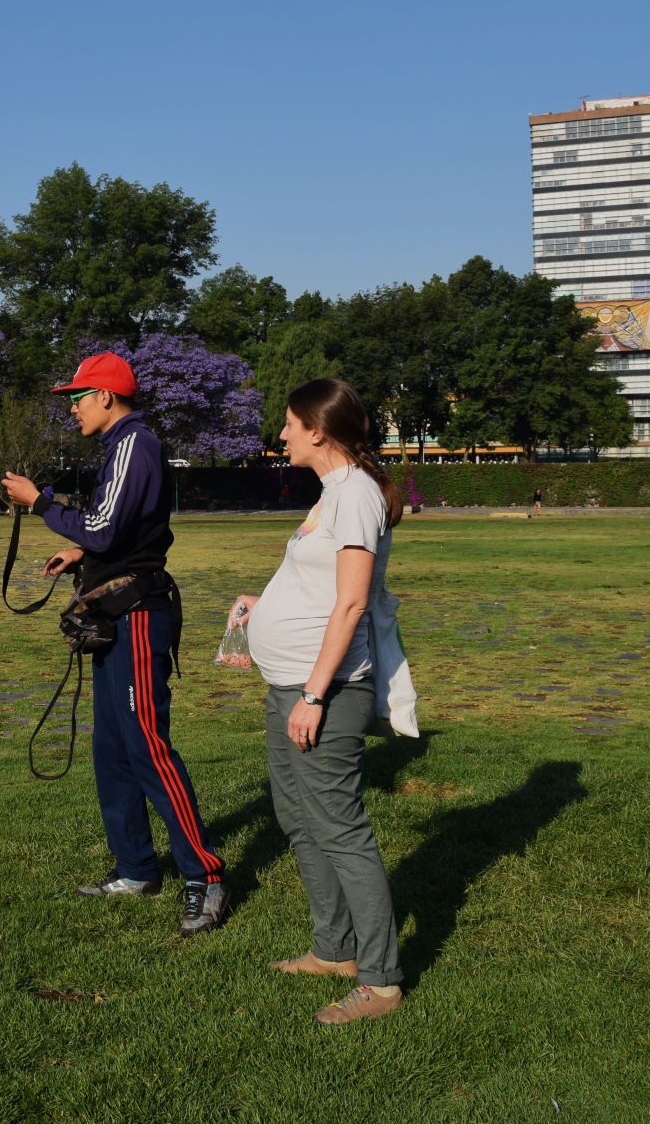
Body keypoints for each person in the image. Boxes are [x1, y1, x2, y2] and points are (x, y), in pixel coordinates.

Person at [1, 352, 227, 937]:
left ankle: (205, 877)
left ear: (106, 396)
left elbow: (103, 526)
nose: (71, 407)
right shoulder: (121, 447)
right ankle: (136, 868)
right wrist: (84, 554)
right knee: (112, 748)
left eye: (77, 396)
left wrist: (42, 503)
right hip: (118, 608)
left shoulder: (133, 443)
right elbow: (118, 529)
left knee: (148, 745)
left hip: (141, 615)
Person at [231, 377, 411, 1026]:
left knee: (340, 829)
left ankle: (381, 980)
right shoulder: (332, 496)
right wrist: (262, 606)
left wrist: (313, 693)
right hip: (289, 688)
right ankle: (333, 949)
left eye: (287, 423)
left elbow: (353, 602)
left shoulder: (356, 496)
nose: (280, 434)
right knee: (298, 819)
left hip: (325, 693)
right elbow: (316, 586)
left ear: (317, 429)